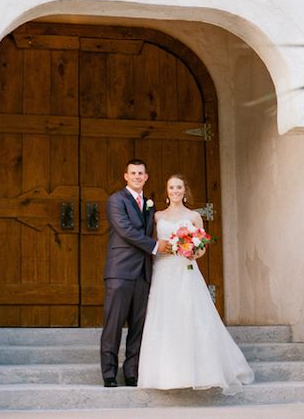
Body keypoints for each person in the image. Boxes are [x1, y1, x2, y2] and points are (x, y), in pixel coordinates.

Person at [137, 174, 254, 393]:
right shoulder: (157, 216)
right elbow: (153, 243)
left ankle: (201, 371)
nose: (175, 191)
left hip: (185, 270)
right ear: (167, 190)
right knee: (164, 316)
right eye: (171, 187)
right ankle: (165, 374)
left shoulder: (193, 216)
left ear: (185, 189)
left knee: (191, 315)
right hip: (163, 270)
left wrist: (193, 253)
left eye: (179, 187)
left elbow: (201, 246)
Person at [100, 158, 170, 388]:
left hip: (143, 273)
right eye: (133, 173)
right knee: (114, 324)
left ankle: (131, 372)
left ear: (146, 177)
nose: (138, 176)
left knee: (138, 327)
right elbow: (126, 231)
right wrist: (154, 246)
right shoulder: (116, 200)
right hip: (120, 271)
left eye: (141, 173)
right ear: (126, 176)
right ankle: (109, 374)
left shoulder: (149, 203)